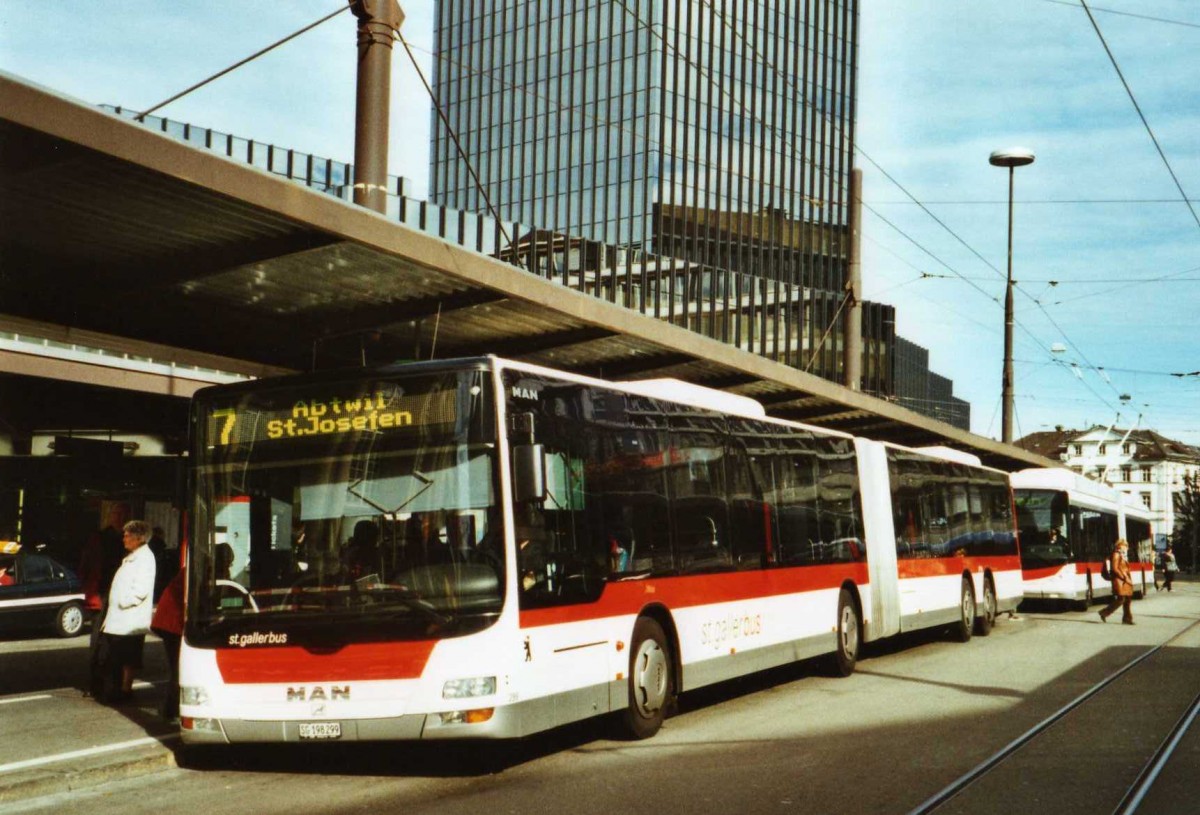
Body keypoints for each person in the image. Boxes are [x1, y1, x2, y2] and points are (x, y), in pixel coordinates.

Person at [97, 520, 157, 703]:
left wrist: (123, 602)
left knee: (124, 658)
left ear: (139, 538)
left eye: (127, 535)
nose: (124, 537)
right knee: (119, 657)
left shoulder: (144, 558)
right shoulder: (134, 556)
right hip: (121, 618)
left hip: (129, 618)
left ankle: (123, 692)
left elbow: (141, 589)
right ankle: (118, 691)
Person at [151, 562, 184, 721]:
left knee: (176, 667)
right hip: (172, 623)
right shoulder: (200, 573)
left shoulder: (193, 569)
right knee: (178, 668)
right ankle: (171, 710)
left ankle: (171, 709)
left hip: (167, 621)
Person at [1098, 538, 1134, 625]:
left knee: (1127, 599)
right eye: (1124, 546)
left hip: (1123, 580)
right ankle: (1104, 612)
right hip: (1119, 581)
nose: (1126, 548)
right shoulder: (1116, 554)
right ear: (1119, 546)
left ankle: (1127, 618)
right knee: (1121, 599)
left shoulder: (1120, 555)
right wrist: (1125, 578)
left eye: (1126, 546)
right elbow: (1115, 568)